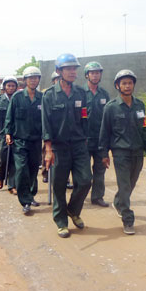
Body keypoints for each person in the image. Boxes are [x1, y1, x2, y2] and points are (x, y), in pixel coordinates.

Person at [99, 69, 146, 235]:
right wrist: (103, 154)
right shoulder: (111, 108)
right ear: (118, 86)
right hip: (120, 153)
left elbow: (144, 128)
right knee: (124, 185)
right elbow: (104, 132)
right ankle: (128, 219)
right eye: (124, 83)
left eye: (130, 83)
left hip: (138, 152)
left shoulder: (140, 105)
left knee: (130, 184)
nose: (127, 86)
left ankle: (118, 202)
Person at [42, 53, 92, 238]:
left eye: (74, 68)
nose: (73, 72)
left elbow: (85, 118)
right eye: (68, 68)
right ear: (59, 71)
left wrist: (86, 139)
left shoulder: (81, 94)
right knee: (59, 186)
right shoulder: (49, 95)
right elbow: (46, 124)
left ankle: (72, 210)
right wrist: (48, 150)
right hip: (58, 147)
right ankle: (61, 221)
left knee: (86, 180)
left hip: (79, 145)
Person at [5, 66, 43, 215]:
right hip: (20, 140)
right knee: (21, 170)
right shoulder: (17, 97)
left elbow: (46, 120)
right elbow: (10, 116)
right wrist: (8, 132)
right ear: (25, 80)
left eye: (36, 78)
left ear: (39, 80)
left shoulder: (42, 98)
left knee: (34, 169)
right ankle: (25, 201)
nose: (33, 80)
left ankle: (31, 195)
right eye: (30, 78)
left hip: (36, 140)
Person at [83, 61, 110, 207]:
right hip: (84, 139)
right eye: (92, 73)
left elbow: (109, 118)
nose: (95, 75)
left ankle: (97, 197)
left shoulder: (104, 94)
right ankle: (80, 196)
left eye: (98, 72)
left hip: (100, 140)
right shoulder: (80, 93)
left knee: (100, 170)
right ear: (87, 75)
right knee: (84, 173)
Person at [0, 76, 18, 194]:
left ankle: (12, 185)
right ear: (4, 87)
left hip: (16, 135)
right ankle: (0, 177)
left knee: (14, 161)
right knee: (2, 159)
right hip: (2, 135)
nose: (11, 88)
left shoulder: (18, 100)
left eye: (13, 86)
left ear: (16, 87)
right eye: (8, 86)